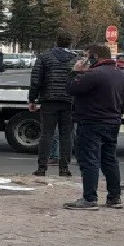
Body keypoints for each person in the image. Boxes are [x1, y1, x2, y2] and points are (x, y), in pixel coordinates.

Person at [63, 44, 124, 210]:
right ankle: (114, 197)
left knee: (89, 159)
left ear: (95, 56)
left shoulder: (94, 74)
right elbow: (123, 102)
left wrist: (76, 71)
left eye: (87, 56)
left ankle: (89, 198)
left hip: (91, 121)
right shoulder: (122, 76)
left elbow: (70, 88)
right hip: (112, 121)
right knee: (110, 160)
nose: (86, 59)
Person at [29, 34, 78, 177]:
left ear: (56, 42)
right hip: (68, 101)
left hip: (48, 100)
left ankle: (42, 167)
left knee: (46, 134)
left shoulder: (44, 57)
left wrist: (33, 99)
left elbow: (36, 79)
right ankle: (64, 168)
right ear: (70, 44)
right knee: (66, 135)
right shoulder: (74, 59)